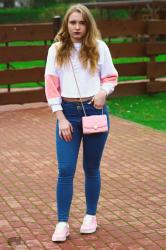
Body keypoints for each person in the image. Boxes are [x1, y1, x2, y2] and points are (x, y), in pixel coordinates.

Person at [45, 4, 118, 242]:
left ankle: (90, 216)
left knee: (91, 168)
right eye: (73, 22)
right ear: (67, 24)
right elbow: (51, 86)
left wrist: (103, 92)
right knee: (65, 170)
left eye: (82, 22)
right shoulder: (56, 50)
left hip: (94, 111)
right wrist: (61, 117)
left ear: (88, 25)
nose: (77, 27)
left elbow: (111, 76)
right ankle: (62, 222)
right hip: (67, 113)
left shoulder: (100, 47)